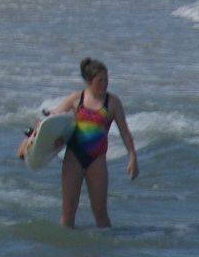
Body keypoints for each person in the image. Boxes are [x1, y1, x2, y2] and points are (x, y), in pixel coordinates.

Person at [19, 58, 138, 229]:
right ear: (89, 82)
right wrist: (37, 138)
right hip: (73, 158)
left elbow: (125, 132)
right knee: (68, 213)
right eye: (100, 80)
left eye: (106, 79)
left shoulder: (112, 103)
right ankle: (64, 251)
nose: (105, 84)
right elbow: (52, 121)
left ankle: (106, 251)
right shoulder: (76, 98)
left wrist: (132, 157)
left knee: (101, 214)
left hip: (96, 160)